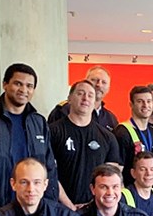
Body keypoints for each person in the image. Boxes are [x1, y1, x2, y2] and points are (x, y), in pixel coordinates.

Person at [0, 63, 58, 216]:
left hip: (33, 211)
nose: (24, 90)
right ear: (5, 84)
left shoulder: (38, 122)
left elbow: (48, 168)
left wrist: (50, 207)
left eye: (29, 86)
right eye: (18, 83)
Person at [49, 80, 122, 208]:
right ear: (69, 99)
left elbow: (111, 177)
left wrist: (91, 206)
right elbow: (47, 172)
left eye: (90, 95)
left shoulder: (107, 137)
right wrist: (69, 206)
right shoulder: (52, 132)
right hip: (59, 209)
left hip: (95, 210)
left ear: (95, 102)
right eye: (80, 93)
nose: (85, 98)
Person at [114, 86, 153, 186]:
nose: (145, 105)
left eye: (149, 101)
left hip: (151, 193)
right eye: (140, 101)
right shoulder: (122, 132)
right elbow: (117, 171)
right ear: (131, 104)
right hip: (130, 193)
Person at [49, 66, 119, 130]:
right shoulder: (63, 110)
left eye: (104, 82)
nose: (99, 85)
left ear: (108, 88)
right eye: (94, 80)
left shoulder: (111, 119)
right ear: (85, 82)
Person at [121, 151, 153, 216]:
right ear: (133, 173)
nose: (148, 173)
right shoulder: (122, 198)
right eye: (143, 169)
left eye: (152, 169)